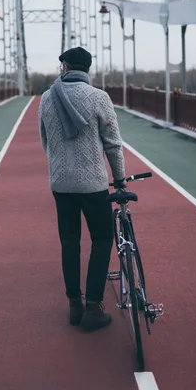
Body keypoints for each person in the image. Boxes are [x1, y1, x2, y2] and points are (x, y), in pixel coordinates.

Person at [38, 46, 127, 331]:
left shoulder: (46, 99)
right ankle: (93, 308)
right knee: (102, 240)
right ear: (88, 68)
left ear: (63, 66)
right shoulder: (100, 98)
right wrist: (120, 178)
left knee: (69, 242)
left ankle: (74, 305)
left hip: (61, 185)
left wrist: (60, 168)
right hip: (94, 186)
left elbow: (46, 142)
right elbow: (113, 143)